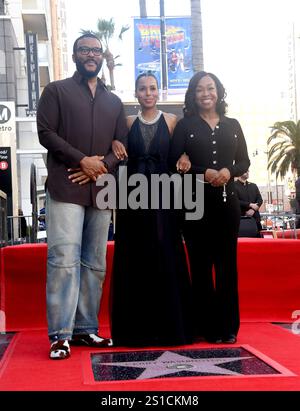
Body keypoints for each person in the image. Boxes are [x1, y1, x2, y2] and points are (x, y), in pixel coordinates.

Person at [37, 33, 128, 360]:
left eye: (95, 50)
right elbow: (46, 133)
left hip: (102, 189)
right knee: (63, 260)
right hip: (66, 186)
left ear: (102, 56)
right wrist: (82, 161)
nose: (90, 54)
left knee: (95, 263)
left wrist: (101, 164)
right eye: (84, 50)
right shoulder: (56, 91)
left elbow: (122, 144)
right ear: (76, 55)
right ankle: (60, 335)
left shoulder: (114, 101)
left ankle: (86, 329)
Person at [108, 72, 194, 347]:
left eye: (152, 88)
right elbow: (116, 145)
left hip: (164, 196)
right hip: (133, 197)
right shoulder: (128, 122)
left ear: (159, 92)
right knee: (135, 253)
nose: (148, 93)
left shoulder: (172, 122)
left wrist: (184, 156)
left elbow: (183, 151)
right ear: (136, 93)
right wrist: (114, 143)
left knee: (164, 250)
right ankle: (136, 329)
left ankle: (169, 327)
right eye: (143, 89)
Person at [169, 71, 250, 344]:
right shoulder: (184, 126)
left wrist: (229, 170)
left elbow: (244, 162)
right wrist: (202, 172)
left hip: (228, 206)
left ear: (219, 92)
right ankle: (207, 326)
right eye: (200, 89)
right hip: (194, 206)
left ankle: (229, 327)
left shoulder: (233, 124)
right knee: (201, 267)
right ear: (193, 95)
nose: (206, 93)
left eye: (210, 88)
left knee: (227, 266)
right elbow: (173, 162)